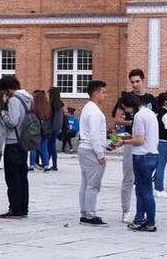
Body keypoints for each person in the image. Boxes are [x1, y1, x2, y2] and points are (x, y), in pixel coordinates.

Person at [114, 69, 156, 223]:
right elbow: (117, 120)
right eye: (132, 82)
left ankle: (144, 212)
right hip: (131, 139)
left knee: (144, 180)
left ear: (142, 80)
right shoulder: (126, 98)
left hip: (147, 142)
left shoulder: (150, 99)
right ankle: (126, 210)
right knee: (128, 177)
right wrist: (133, 122)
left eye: (137, 81)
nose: (135, 84)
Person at [0, 75, 31, 219]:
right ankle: (23, 207)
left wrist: (3, 112)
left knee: (13, 177)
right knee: (22, 177)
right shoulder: (26, 98)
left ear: (7, 89)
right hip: (23, 141)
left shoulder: (14, 100)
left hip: (13, 142)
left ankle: (15, 208)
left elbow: (13, 121)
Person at [78, 80, 109, 226]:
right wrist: (101, 154)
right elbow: (95, 134)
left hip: (84, 148)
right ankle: (90, 214)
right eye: (103, 92)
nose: (105, 95)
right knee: (93, 184)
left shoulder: (87, 108)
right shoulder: (95, 111)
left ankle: (85, 212)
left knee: (85, 182)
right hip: (91, 149)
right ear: (95, 93)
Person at [154, 92, 167, 198]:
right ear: (165, 101)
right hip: (164, 142)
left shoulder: (158, 112)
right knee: (161, 165)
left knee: (157, 164)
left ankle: (155, 186)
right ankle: (159, 188)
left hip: (157, 141)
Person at [28, 90, 51, 171]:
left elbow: (31, 116)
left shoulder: (34, 105)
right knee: (44, 148)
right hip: (45, 129)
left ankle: (32, 165)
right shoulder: (47, 105)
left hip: (36, 128)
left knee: (33, 148)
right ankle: (46, 165)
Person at [46, 87, 65, 171]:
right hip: (57, 127)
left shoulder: (53, 104)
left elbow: (51, 117)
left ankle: (51, 164)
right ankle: (51, 163)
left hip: (52, 127)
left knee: (51, 146)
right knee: (52, 146)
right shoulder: (60, 104)